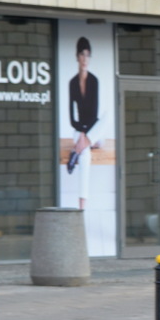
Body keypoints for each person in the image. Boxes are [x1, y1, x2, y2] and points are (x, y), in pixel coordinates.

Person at [66, 36, 99, 209]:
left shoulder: (94, 81)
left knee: (105, 118)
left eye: (88, 55)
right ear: (77, 57)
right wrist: (83, 135)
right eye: (82, 55)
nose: (85, 59)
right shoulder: (72, 83)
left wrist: (86, 136)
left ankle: (76, 150)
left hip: (94, 131)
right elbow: (72, 117)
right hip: (79, 129)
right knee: (85, 155)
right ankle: (82, 207)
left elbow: (94, 114)